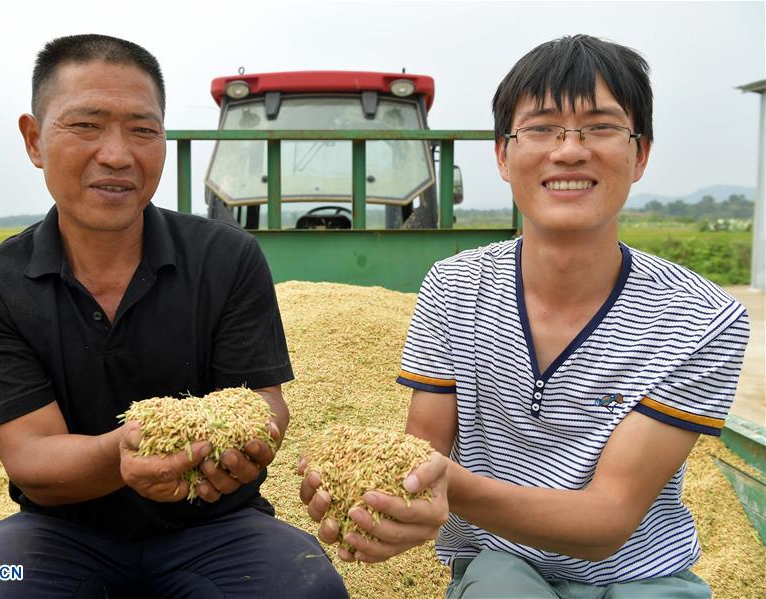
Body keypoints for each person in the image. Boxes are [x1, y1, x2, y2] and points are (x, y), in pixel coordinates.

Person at [300, 34, 749, 598]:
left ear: (640, 154)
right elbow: (423, 452)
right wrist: (385, 499)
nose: (568, 151)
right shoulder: (453, 288)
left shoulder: (703, 318)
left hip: (641, 573)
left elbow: (609, 518)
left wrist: (441, 488)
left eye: (600, 127)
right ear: (502, 155)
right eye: (541, 128)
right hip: (500, 562)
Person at [0, 34, 347, 599]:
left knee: (307, 589)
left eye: (143, 129)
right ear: (34, 140)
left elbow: (262, 398)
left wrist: (250, 438)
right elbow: (32, 458)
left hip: (215, 524)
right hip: (59, 531)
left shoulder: (226, 257)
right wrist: (130, 452)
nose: (117, 153)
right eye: (86, 125)